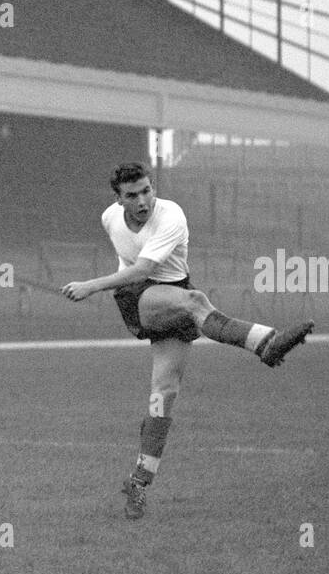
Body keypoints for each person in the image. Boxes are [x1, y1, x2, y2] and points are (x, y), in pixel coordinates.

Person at [62, 163, 313, 519]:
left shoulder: (171, 216)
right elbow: (134, 268)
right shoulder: (110, 218)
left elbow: (147, 266)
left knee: (163, 397)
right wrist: (108, 285)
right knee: (197, 303)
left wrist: (89, 286)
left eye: (146, 190)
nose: (142, 200)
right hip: (138, 296)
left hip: (170, 292)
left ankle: (138, 482)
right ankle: (265, 344)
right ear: (118, 199)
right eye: (132, 195)